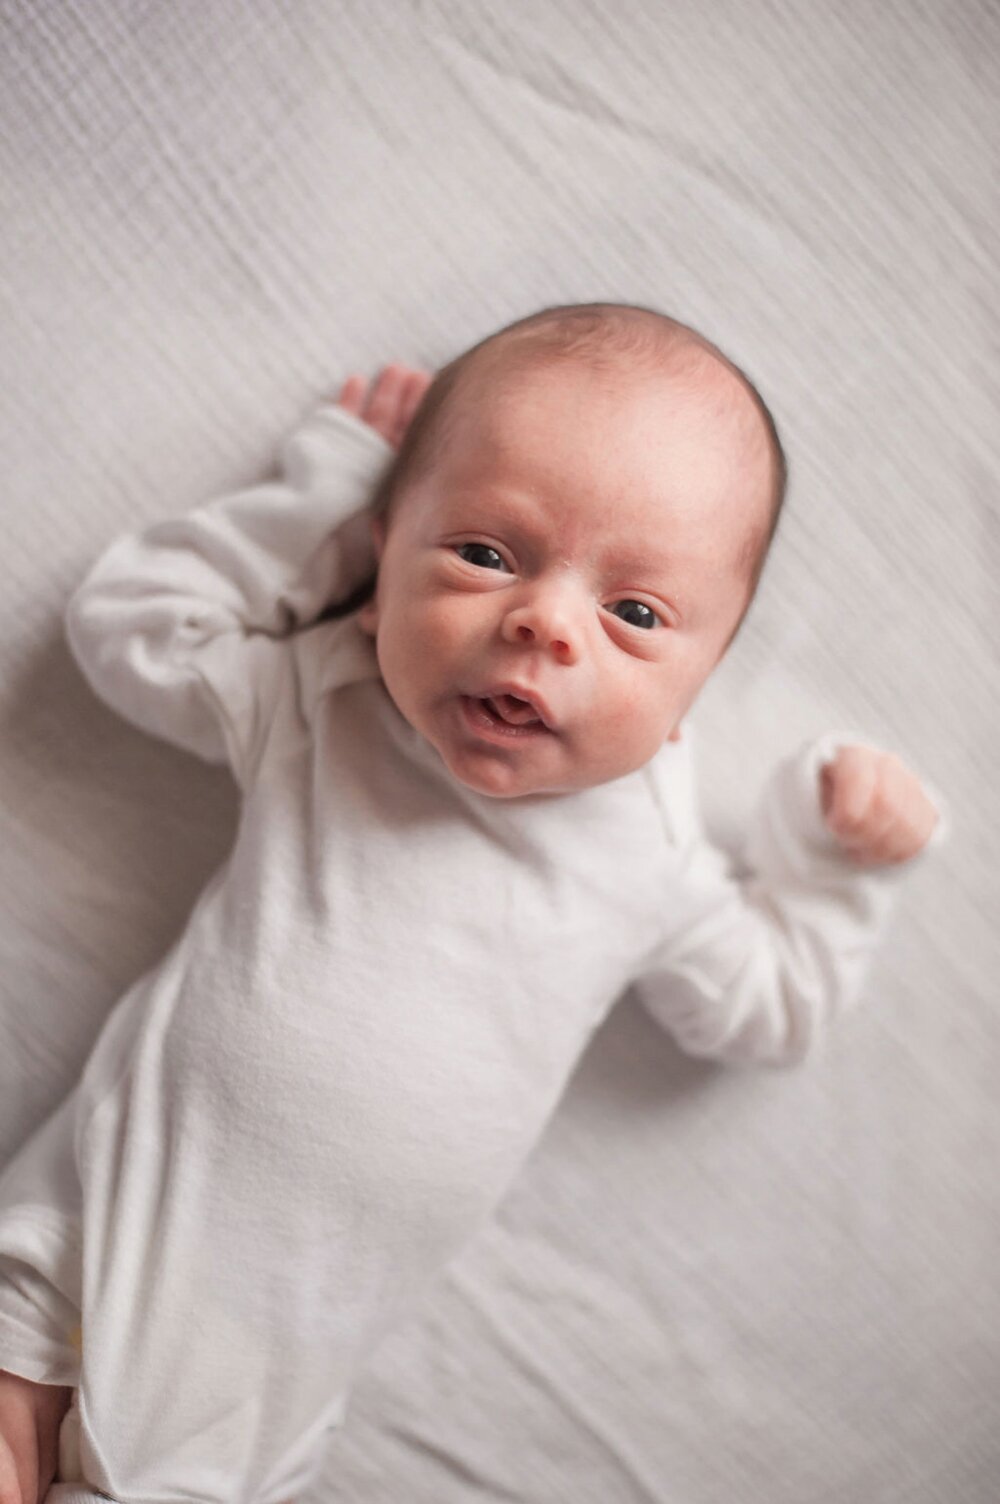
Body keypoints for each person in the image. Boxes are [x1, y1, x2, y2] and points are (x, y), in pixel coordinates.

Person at [0, 304, 945, 1504]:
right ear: (382, 557)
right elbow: (127, 629)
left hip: (239, 1426)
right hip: (71, 1256)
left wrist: (830, 859)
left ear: (701, 682)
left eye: (636, 614)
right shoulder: (323, 699)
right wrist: (319, 505)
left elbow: (771, 1009)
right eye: (485, 553)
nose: (543, 620)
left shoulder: (645, 854)